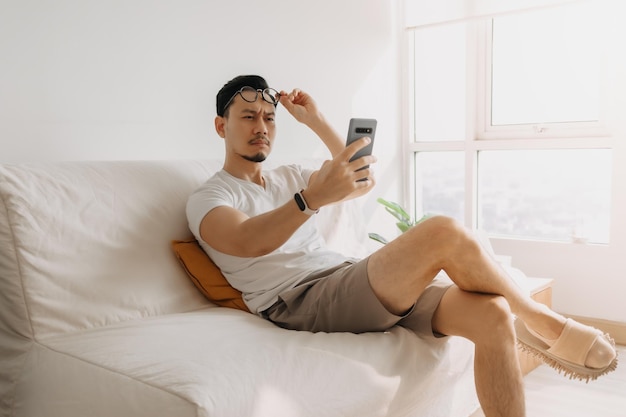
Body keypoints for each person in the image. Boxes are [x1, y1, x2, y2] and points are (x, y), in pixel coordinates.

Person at [186, 75, 618, 417]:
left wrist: (315, 119)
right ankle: (541, 320)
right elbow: (247, 240)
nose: (261, 127)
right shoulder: (210, 197)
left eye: (269, 117)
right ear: (221, 126)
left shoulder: (287, 176)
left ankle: (522, 319)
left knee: (491, 314)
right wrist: (311, 199)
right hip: (298, 300)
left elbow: (361, 181)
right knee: (441, 231)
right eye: (247, 117)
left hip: (342, 277)